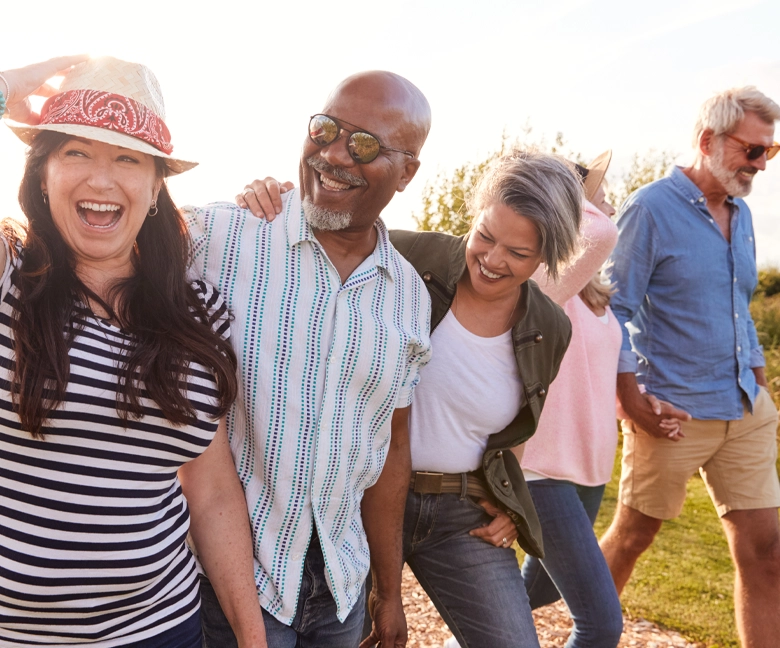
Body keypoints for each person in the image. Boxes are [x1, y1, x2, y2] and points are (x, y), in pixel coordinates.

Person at [239, 148, 583, 647]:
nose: (492, 259)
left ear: (548, 256)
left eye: (518, 253)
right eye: (485, 236)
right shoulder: (405, 257)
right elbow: (322, 234)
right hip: (360, 499)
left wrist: (509, 501)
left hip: (460, 514)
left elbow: (516, 426)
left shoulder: (549, 327)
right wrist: (274, 198)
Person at [0, 57, 266, 647]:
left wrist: (252, 639)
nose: (101, 179)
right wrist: (4, 89)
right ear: (42, 176)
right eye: (75, 151)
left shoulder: (197, 312)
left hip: (160, 629)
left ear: (153, 190)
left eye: (127, 158)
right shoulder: (9, 277)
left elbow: (211, 490)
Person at [186, 72, 433, 648]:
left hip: (340, 591)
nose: (333, 154)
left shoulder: (407, 296)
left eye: (364, 144)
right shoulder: (220, 238)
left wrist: (387, 592)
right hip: (222, 585)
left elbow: (391, 446)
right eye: (325, 129)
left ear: (407, 172)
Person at [600, 86, 780, 648]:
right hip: (673, 409)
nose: (760, 165)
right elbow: (613, 310)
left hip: (744, 407)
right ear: (707, 140)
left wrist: (756, 371)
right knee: (632, 538)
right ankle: (585, 636)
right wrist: (631, 400)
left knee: (767, 551)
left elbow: (738, 303)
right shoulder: (650, 209)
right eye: (751, 151)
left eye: (769, 153)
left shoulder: (743, 215)